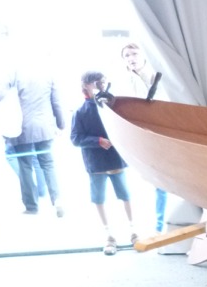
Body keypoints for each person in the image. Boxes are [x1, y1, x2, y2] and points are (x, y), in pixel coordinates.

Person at [70, 71, 138, 256]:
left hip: (116, 158)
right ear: (85, 86)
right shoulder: (81, 111)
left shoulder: (112, 105)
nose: (99, 86)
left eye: (102, 82)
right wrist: (97, 141)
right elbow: (75, 138)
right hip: (96, 163)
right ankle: (109, 236)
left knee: (125, 195)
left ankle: (134, 232)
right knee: (99, 199)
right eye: (94, 83)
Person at [0, 64, 66, 215]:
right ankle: (57, 201)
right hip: (44, 127)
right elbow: (57, 103)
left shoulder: (13, 72)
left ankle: (31, 206)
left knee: (25, 166)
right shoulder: (47, 73)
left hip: (21, 127)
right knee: (48, 164)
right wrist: (61, 124)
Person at [120, 42, 168, 232]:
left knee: (161, 182)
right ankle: (154, 226)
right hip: (137, 136)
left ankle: (160, 226)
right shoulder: (123, 79)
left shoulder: (158, 76)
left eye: (134, 54)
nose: (131, 58)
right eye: (127, 55)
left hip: (160, 135)